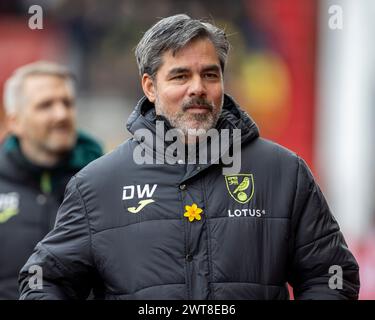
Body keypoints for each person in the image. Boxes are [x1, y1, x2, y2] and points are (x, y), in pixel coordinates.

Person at [19, 15, 359, 300]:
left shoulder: (284, 173)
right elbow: (43, 280)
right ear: (150, 87)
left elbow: (332, 275)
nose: (197, 87)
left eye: (210, 74)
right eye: (181, 75)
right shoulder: (96, 185)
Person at [0, 61, 103, 299]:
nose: (62, 114)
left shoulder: (103, 180)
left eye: (67, 103)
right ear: (14, 121)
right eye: (45, 105)